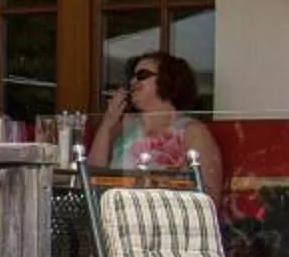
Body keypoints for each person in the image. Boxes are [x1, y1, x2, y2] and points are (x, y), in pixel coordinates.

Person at [92, 50, 222, 191]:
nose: (132, 82)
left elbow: (209, 192)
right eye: (132, 77)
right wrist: (108, 122)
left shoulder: (192, 131)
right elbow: (92, 176)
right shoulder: (120, 126)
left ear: (168, 79)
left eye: (142, 76)